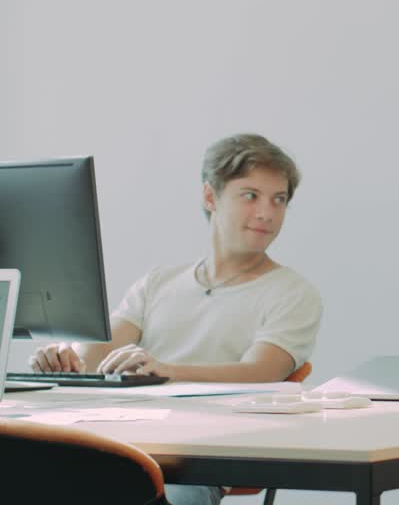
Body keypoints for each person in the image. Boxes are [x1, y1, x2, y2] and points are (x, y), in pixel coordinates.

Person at [30, 133, 324, 505]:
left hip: (200, 460)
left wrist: (166, 370)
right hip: (126, 445)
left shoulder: (292, 292)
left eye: (278, 200)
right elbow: (96, 355)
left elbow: (262, 371)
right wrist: (65, 358)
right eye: (251, 195)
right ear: (210, 197)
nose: (267, 213)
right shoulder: (160, 282)